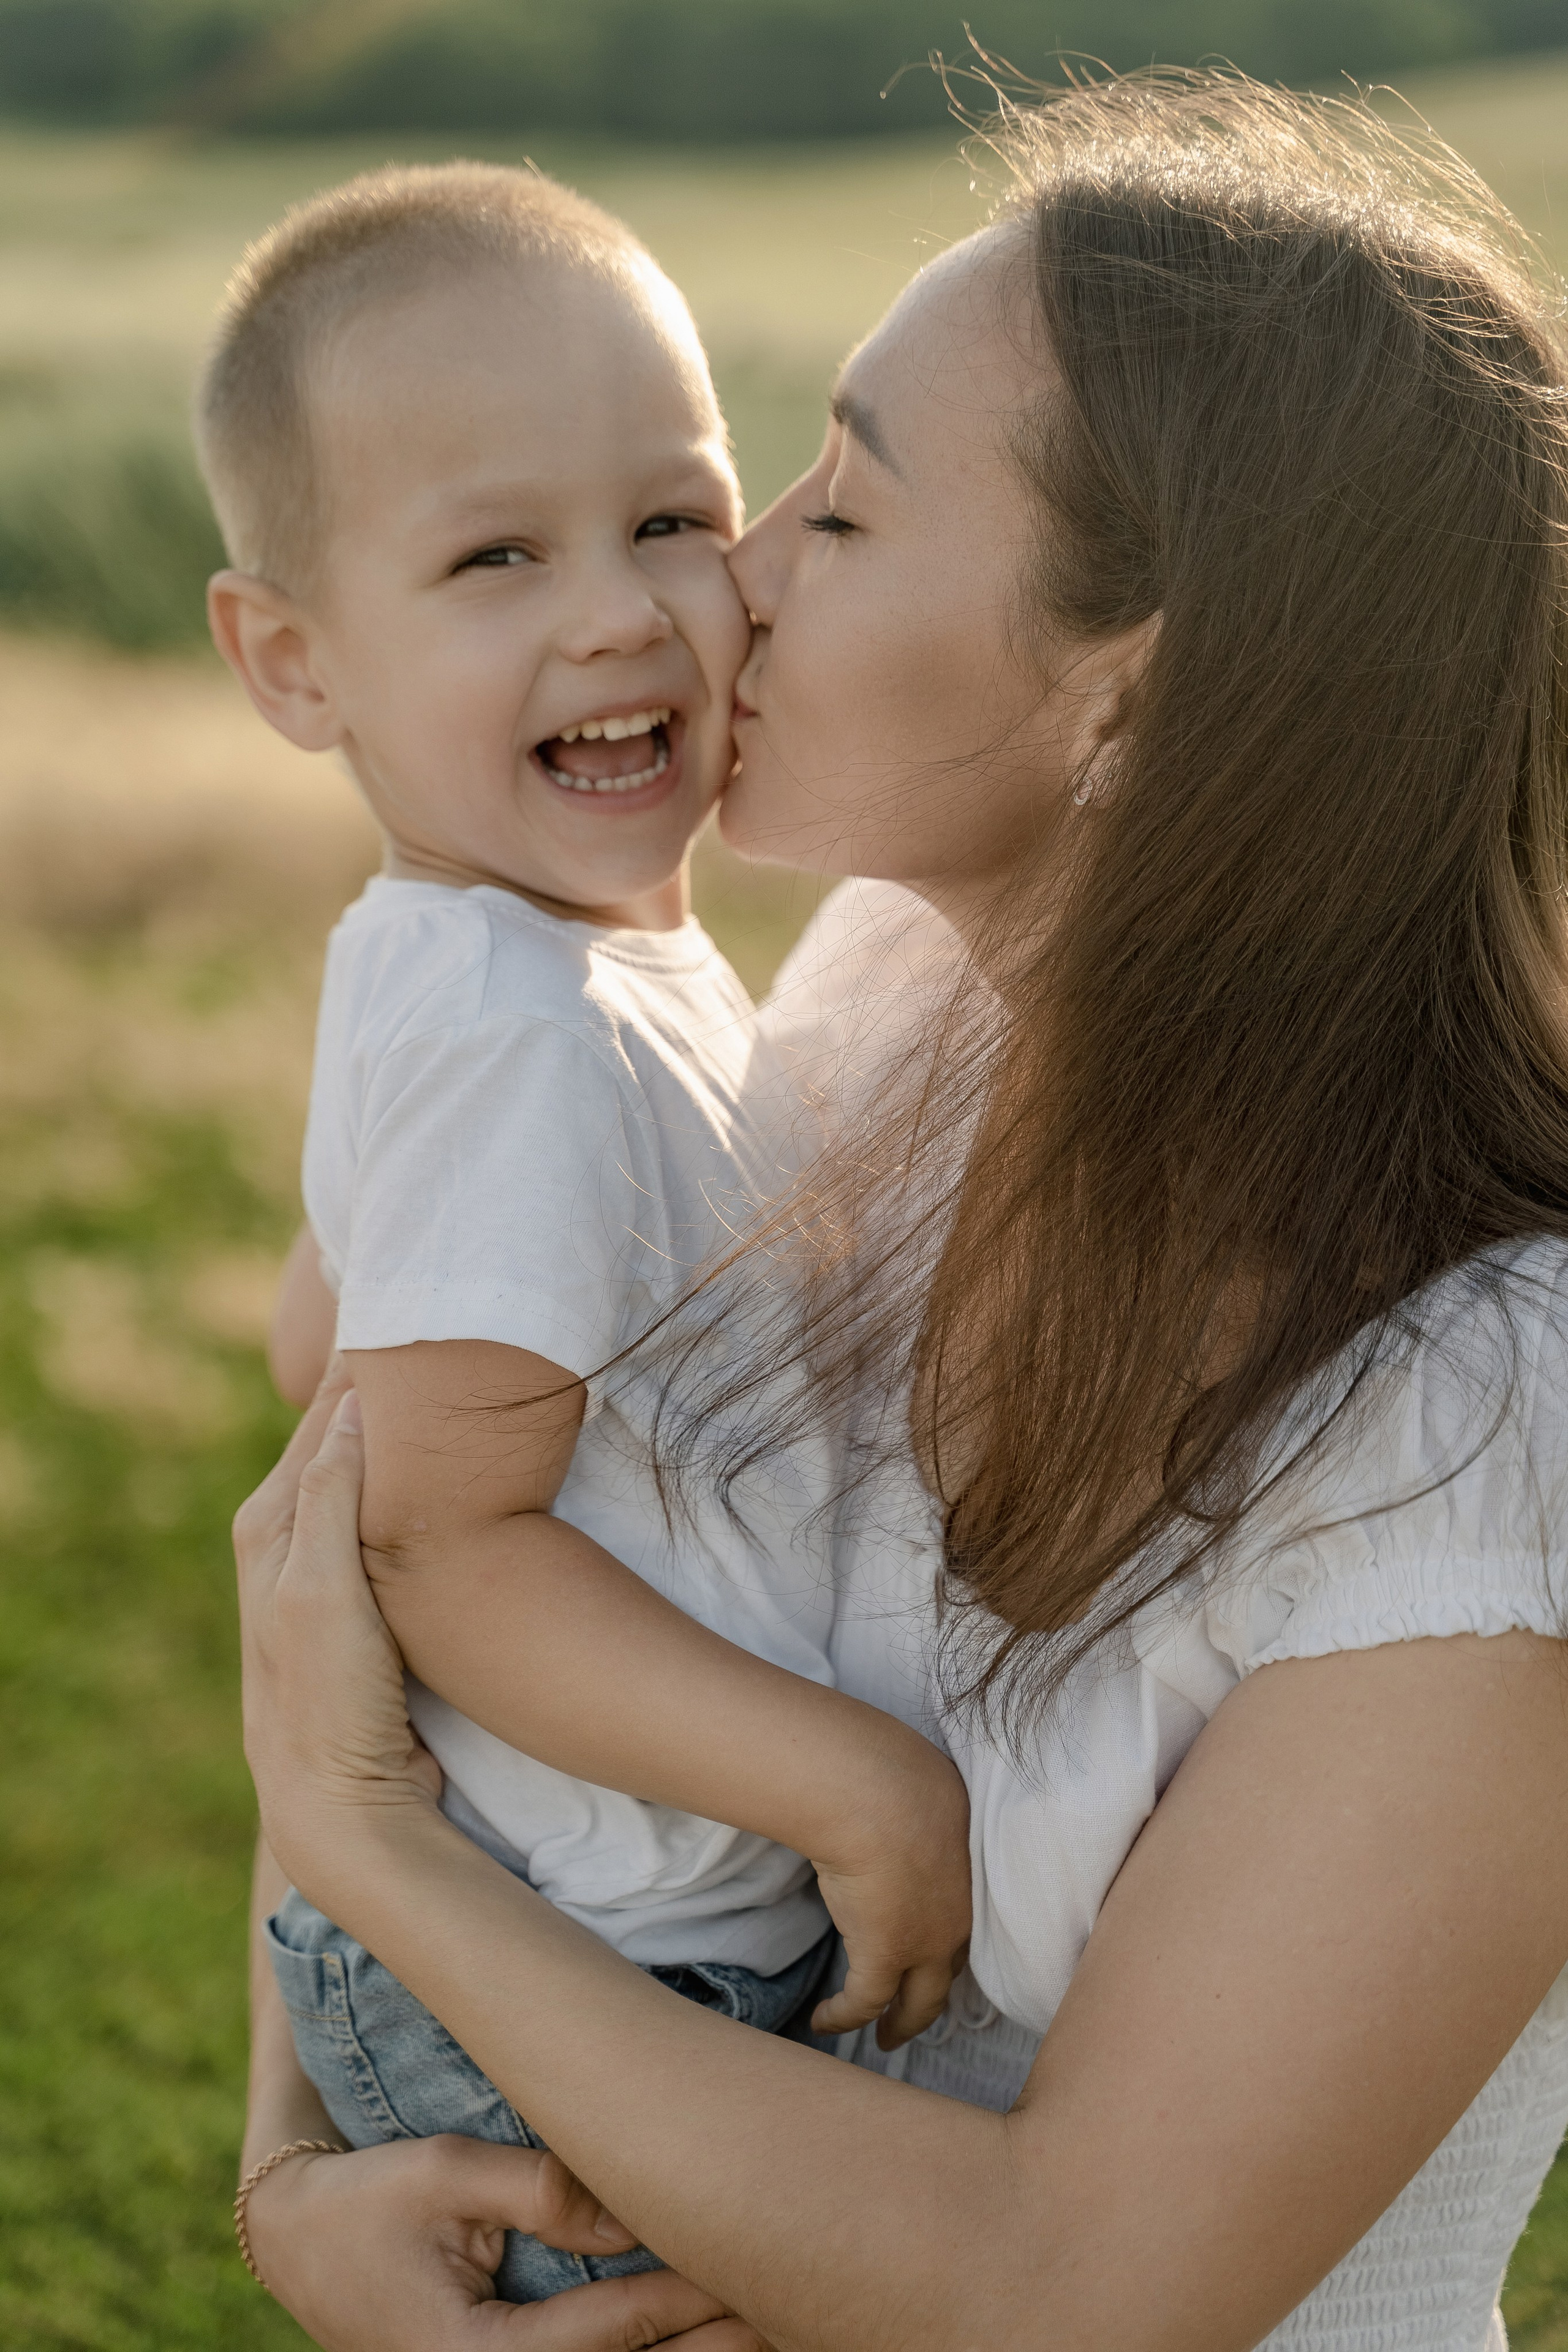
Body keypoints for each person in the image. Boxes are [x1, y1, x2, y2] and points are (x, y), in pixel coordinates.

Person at [235, 72, 1568, 2352]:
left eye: (834, 512)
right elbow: (403, 1524)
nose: (718, 588)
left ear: (1128, 701)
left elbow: (1071, 2286)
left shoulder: (1483, 1419)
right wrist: (294, 2170)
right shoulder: (876, 1010)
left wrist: (367, 1856)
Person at [195, 159, 972, 2305]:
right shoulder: (526, 1022)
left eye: (668, 515)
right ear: (294, 660)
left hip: (582, 1944)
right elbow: (441, 1540)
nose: (620, 610)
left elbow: (318, 1351)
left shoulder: (526, 967)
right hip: (570, 1988)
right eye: (493, 554)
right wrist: (864, 1789)